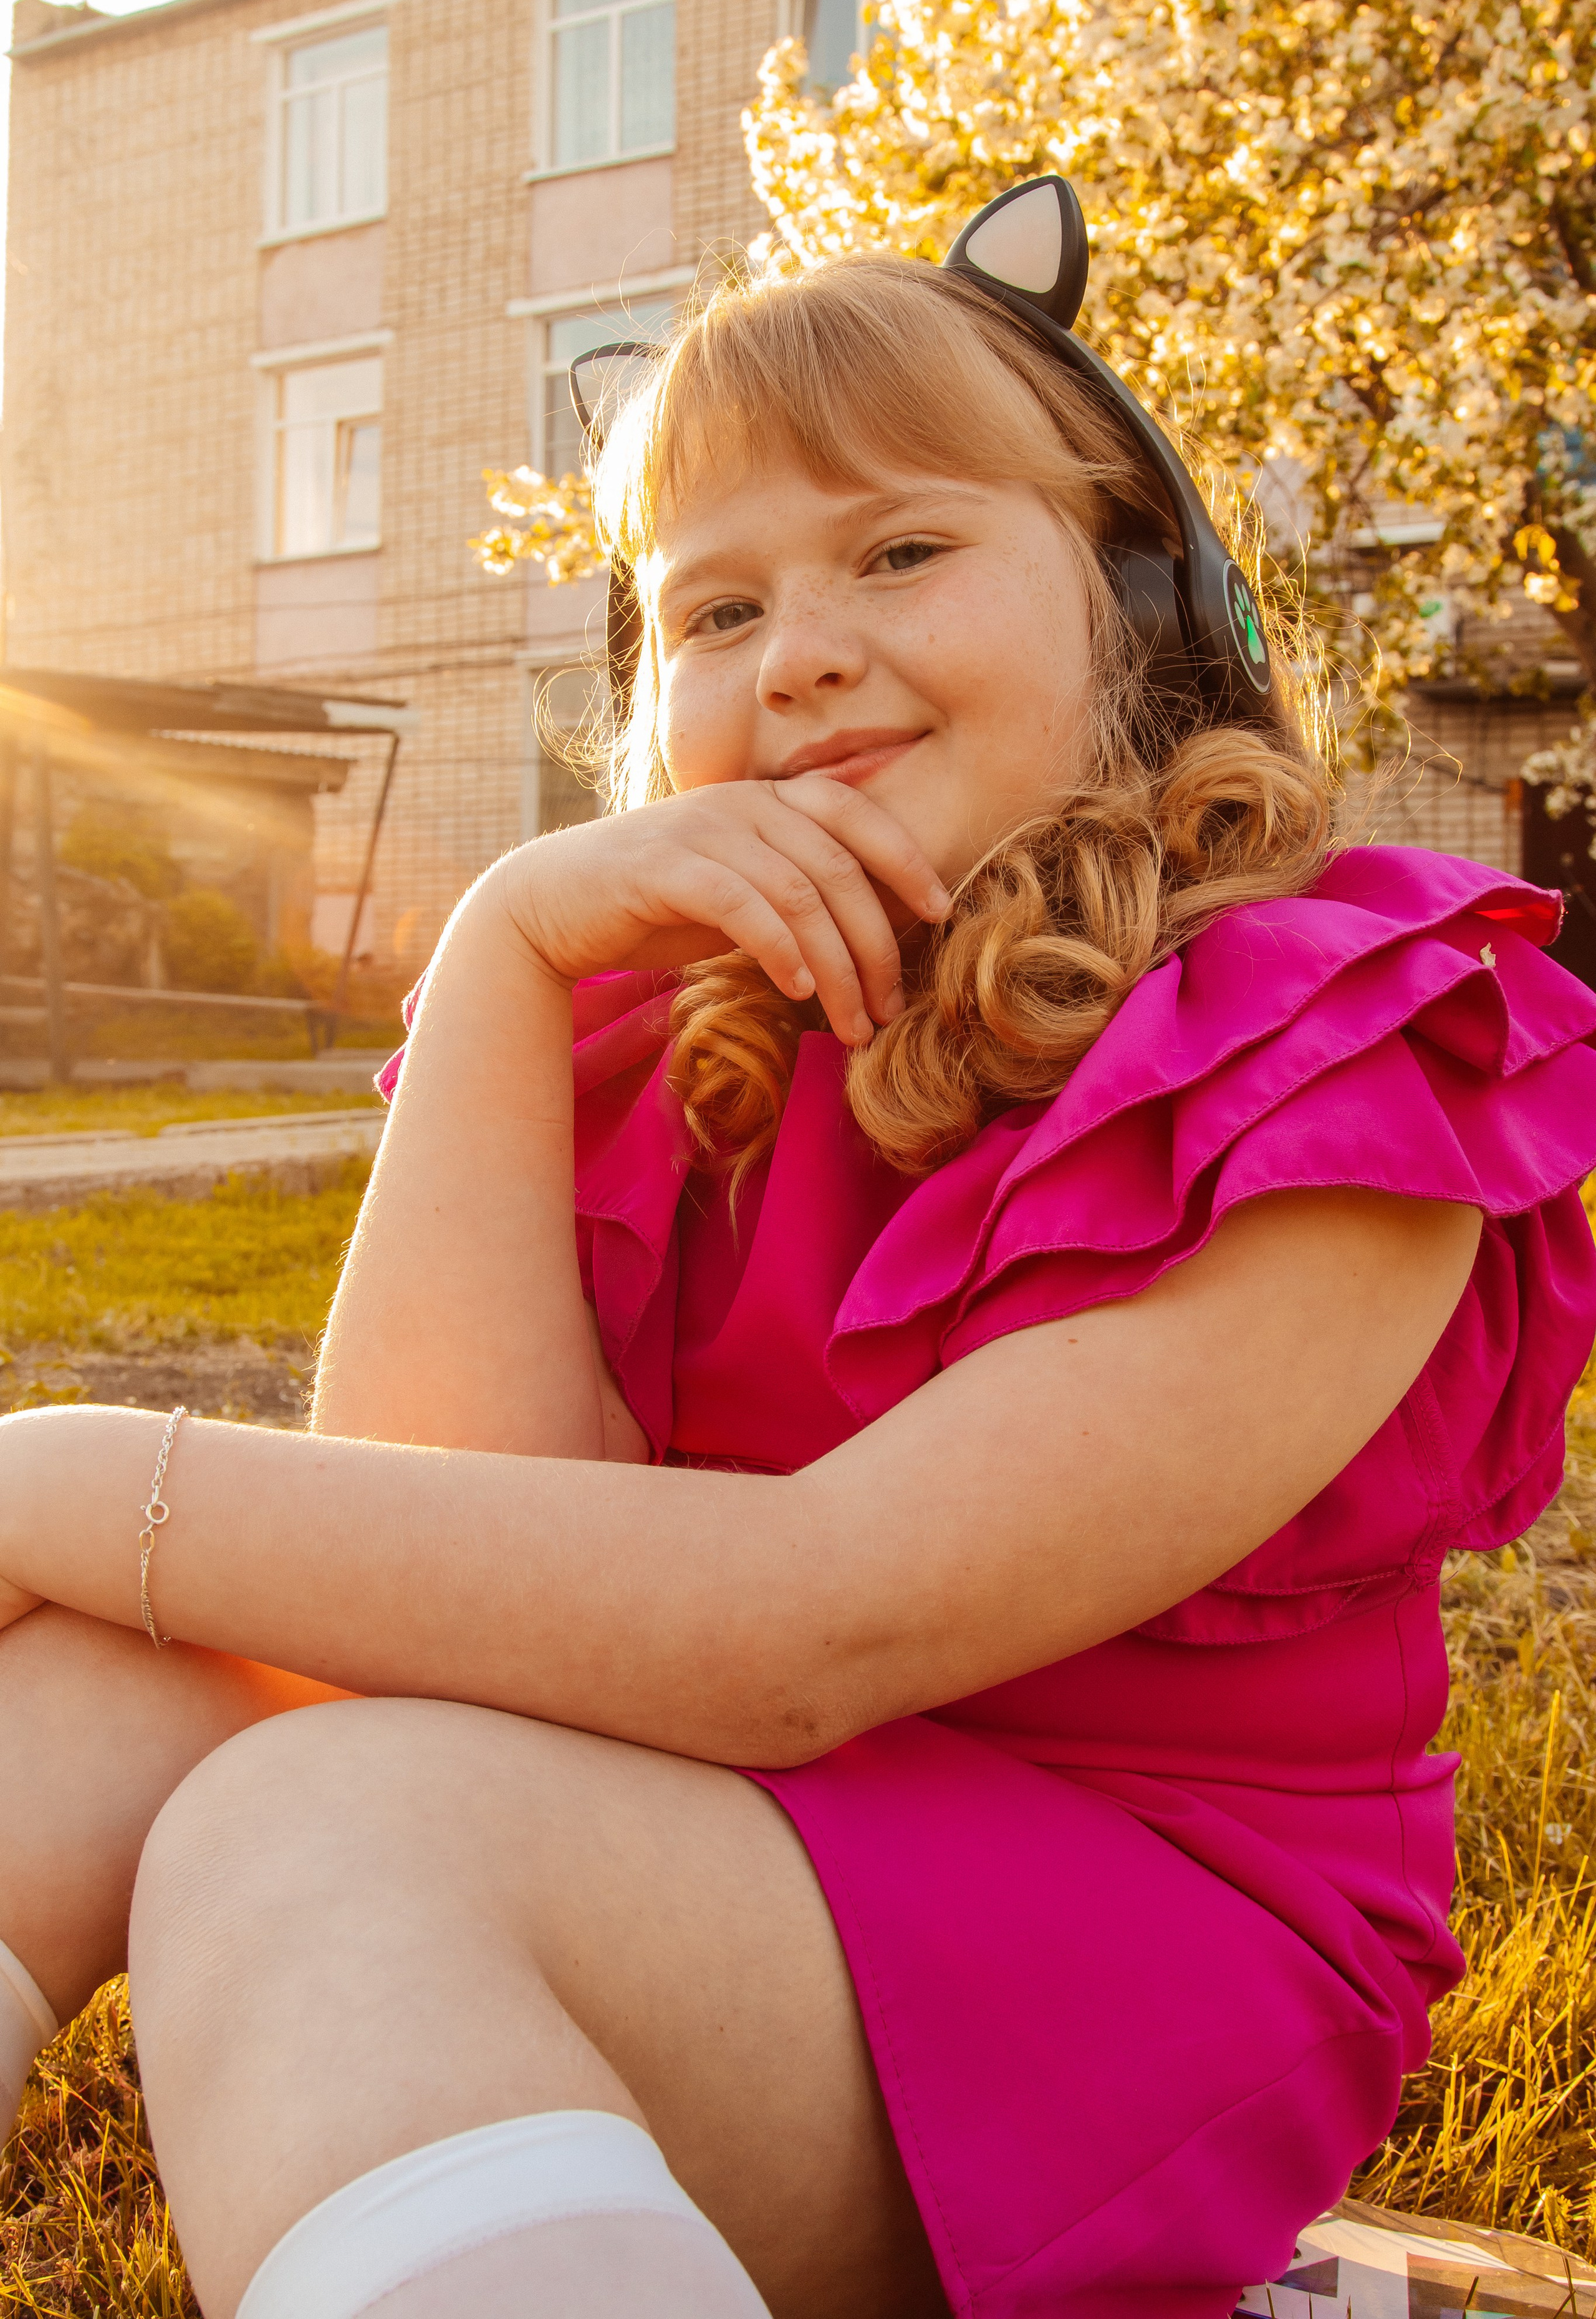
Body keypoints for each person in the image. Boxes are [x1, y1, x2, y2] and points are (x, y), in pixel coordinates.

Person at [0, 181, 1593, 2319]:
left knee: (324, 1821)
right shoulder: (640, 1049)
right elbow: (433, 1563)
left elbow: (806, 1629)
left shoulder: (1335, 1032)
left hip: (1140, 1943)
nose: (803, 651)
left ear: (1141, 595)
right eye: (710, 614)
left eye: (904, 550)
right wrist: (501, 952)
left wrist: (69, 1477)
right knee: (118, 1691)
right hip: (726, 1851)